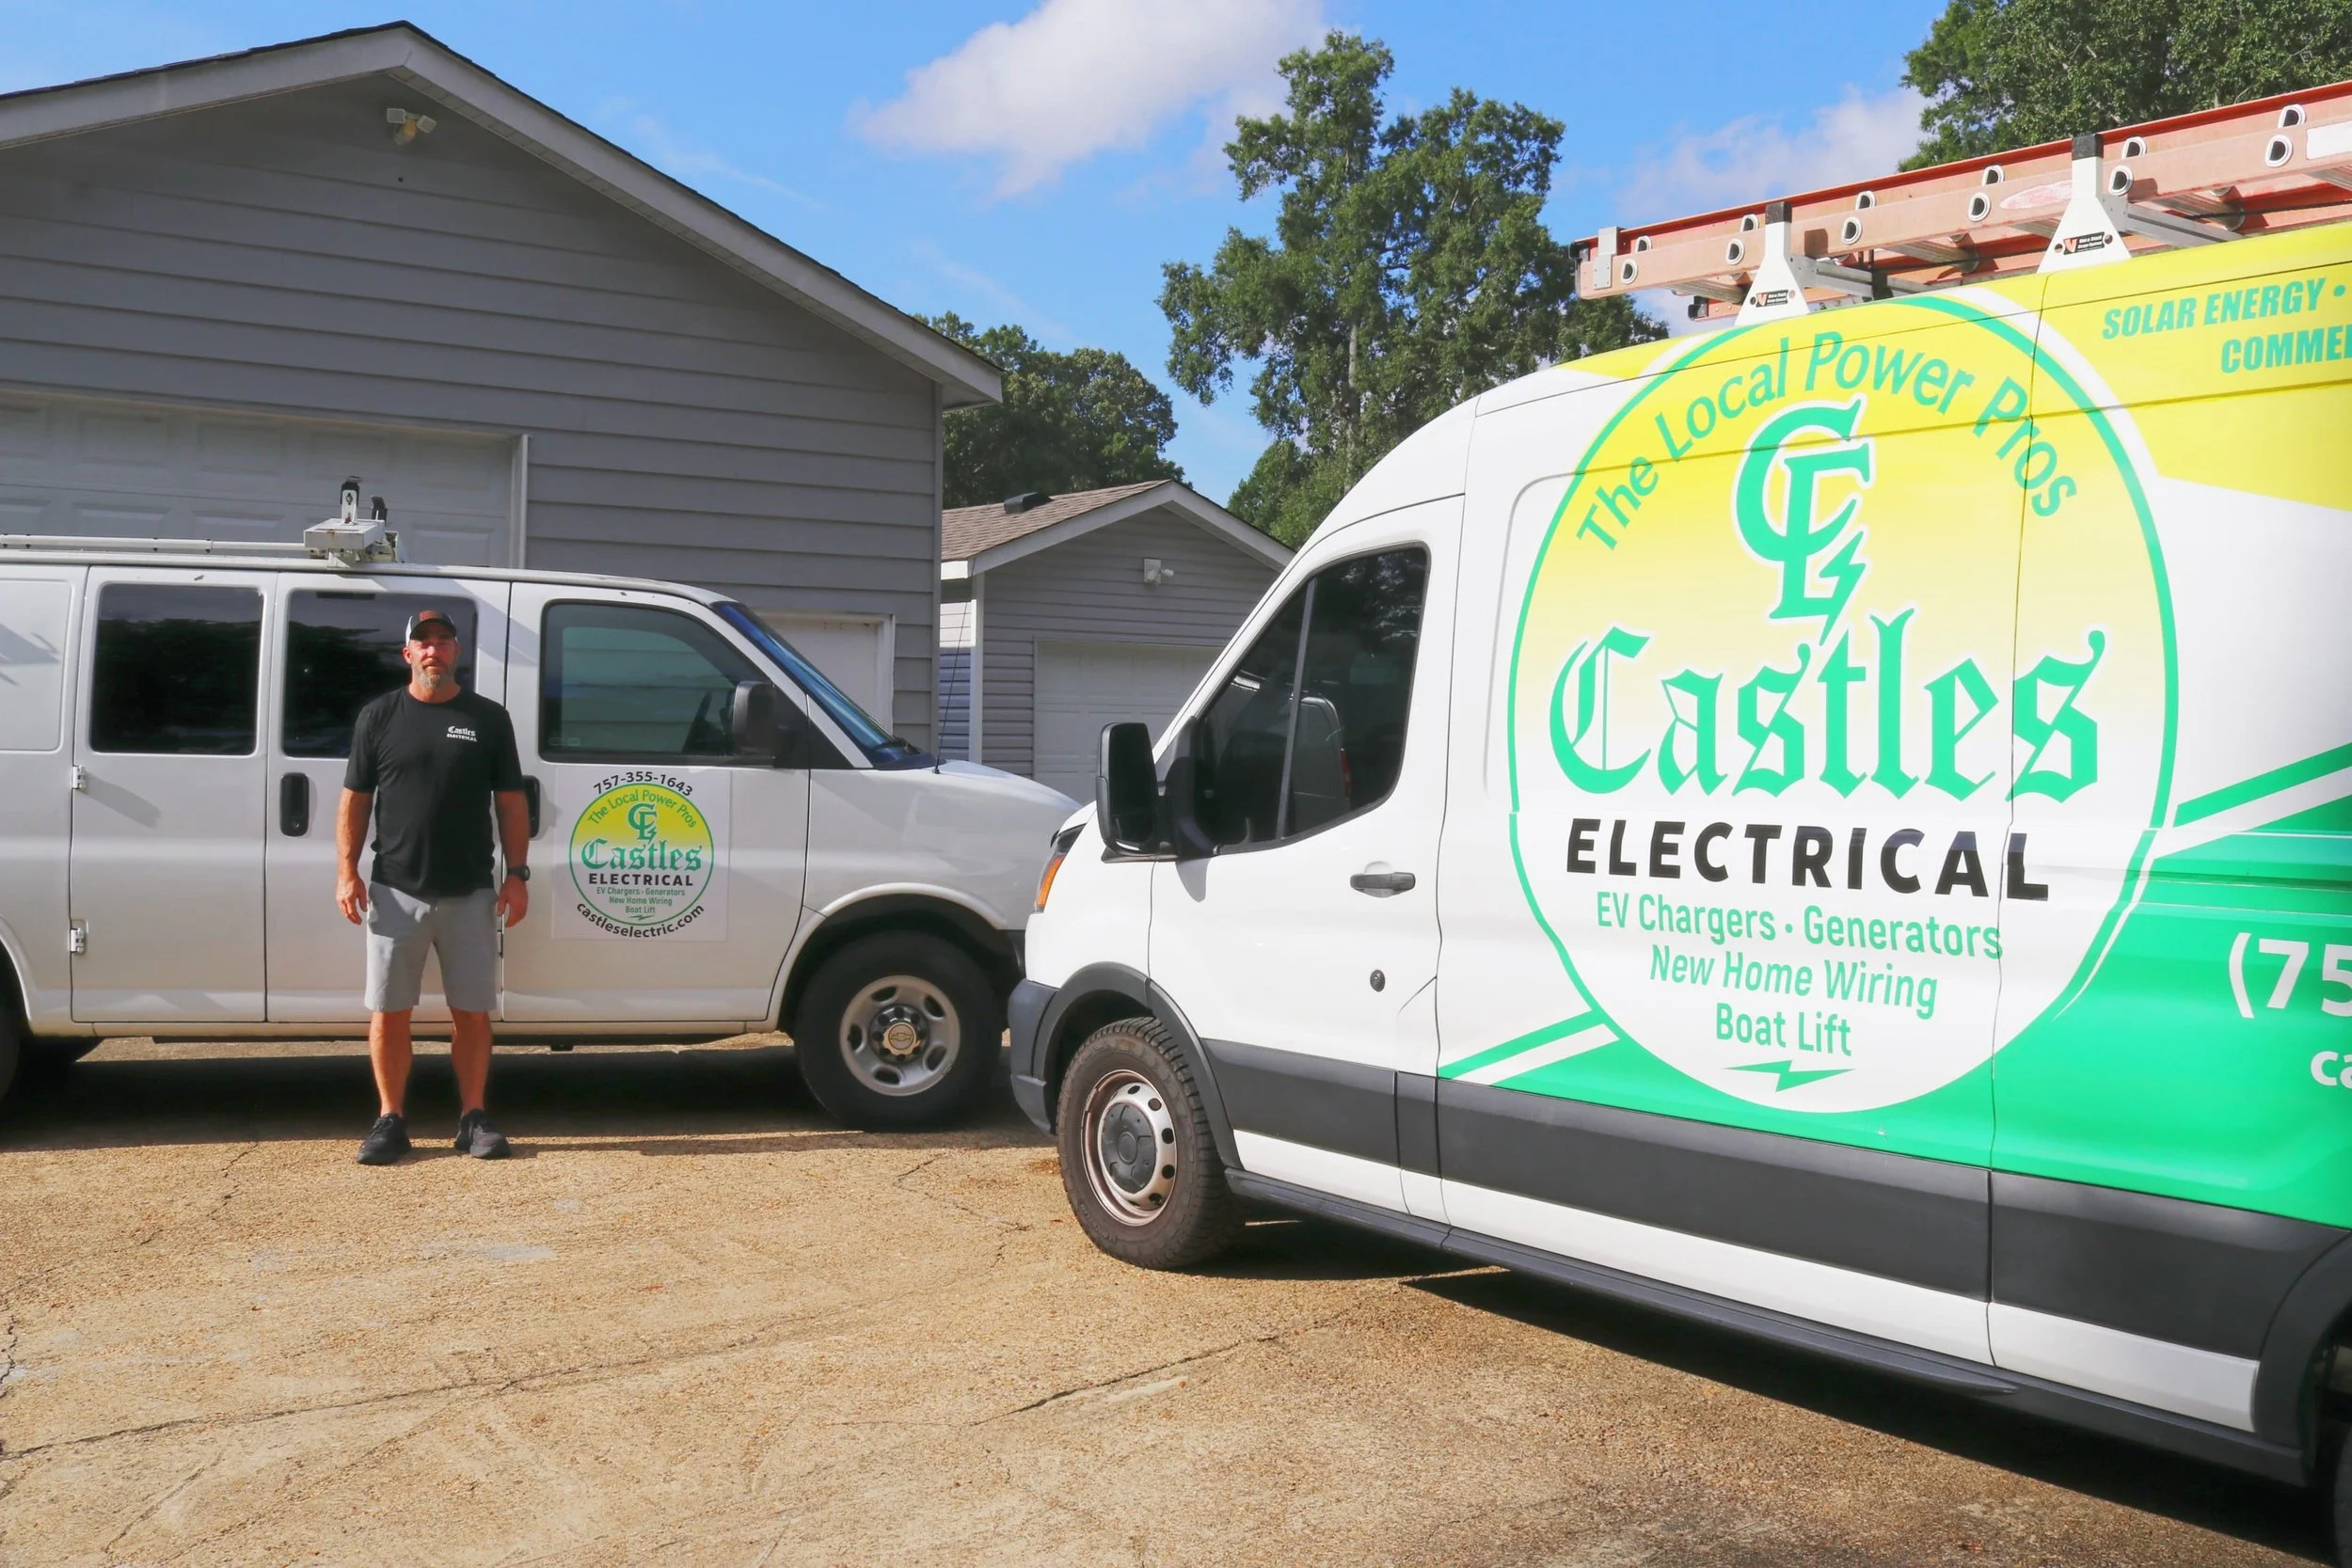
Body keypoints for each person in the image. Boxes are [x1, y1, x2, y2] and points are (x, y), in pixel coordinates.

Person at [336, 607, 531, 1165]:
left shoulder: (488, 718)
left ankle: (473, 1118)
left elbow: (511, 801)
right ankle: (390, 1120)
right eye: (423, 642)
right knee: (389, 1011)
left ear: (456, 653)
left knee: (471, 1011)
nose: (433, 650)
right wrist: (347, 870)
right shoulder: (379, 717)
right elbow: (355, 799)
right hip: (395, 890)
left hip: (471, 892)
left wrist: (516, 875)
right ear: (408, 654)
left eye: (444, 641)